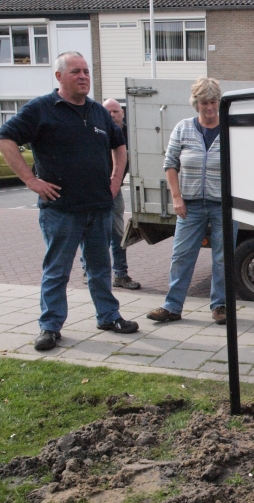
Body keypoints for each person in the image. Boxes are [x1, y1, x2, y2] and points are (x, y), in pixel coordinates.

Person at [0, 51, 139, 351]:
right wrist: (31, 180)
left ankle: (108, 316)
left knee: (101, 267)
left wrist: (116, 180)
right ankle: (50, 327)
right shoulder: (41, 109)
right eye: (76, 71)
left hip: (98, 207)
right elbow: (6, 138)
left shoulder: (99, 112)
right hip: (61, 211)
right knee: (57, 270)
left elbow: (120, 145)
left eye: (86, 71)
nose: (84, 76)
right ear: (59, 76)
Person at [146, 77, 232, 326]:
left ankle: (220, 306)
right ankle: (172, 306)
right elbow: (170, 163)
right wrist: (176, 197)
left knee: (222, 257)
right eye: (204, 102)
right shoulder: (183, 128)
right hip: (190, 205)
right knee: (181, 255)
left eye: (213, 102)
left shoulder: (230, 129)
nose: (209, 108)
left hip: (222, 205)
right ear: (196, 103)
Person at [81, 98, 141, 290]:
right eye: (108, 111)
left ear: (123, 113)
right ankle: (88, 270)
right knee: (92, 232)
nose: (112, 115)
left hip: (115, 191)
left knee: (118, 234)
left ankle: (120, 274)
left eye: (116, 111)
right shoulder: (93, 131)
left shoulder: (130, 133)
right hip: (93, 190)